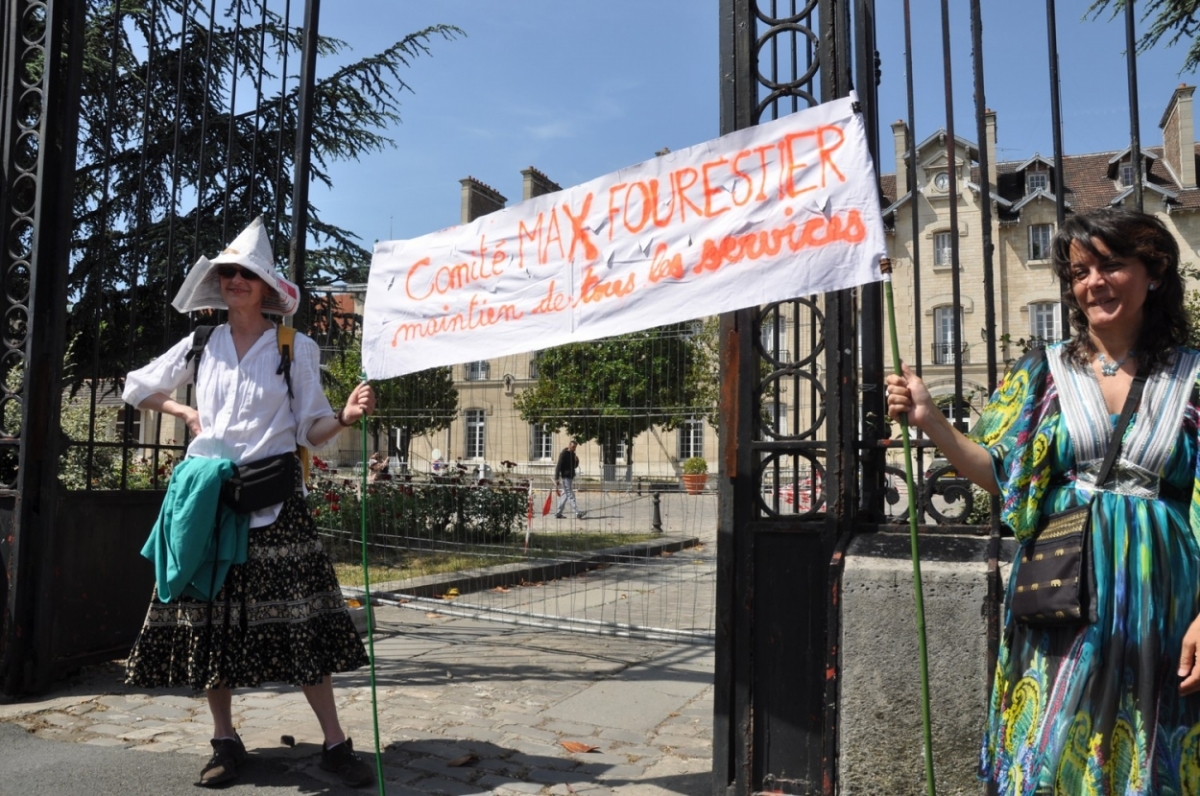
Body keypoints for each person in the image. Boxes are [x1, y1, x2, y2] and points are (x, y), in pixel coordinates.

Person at [886, 207, 1200, 794]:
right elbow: (996, 470)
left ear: (1153, 272)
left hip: (1166, 603)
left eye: (1111, 265)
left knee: (1154, 751)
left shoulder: (1193, 376)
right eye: (1080, 272)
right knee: (1053, 748)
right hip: (1061, 594)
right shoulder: (1042, 373)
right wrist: (930, 420)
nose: (1093, 283)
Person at [122, 217, 378, 789]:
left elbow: (311, 429)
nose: (235, 280)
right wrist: (185, 413)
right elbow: (135, 385)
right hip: (211, 502)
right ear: (219, 283)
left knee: (301, 626)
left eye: (247, 273)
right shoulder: (200, 343)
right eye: (228, 272)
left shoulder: (294, 346)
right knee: (212, 624)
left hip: (274, 504)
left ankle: (336, 745)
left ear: (265, 287)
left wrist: (344, 418)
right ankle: (224, 742)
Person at [554, 439, 585, 519]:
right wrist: (556, 478)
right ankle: (578, 512)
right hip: (565, 477)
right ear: (569, 445)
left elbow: (574, 466)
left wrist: (577, 461)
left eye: (575, 447)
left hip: (570, 476)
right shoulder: (564, 454)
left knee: (565, 494)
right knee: (570, 495)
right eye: (573, 447)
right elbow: (559, 466)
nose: (574, 448)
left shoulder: (572, 454)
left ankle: (558, 513)